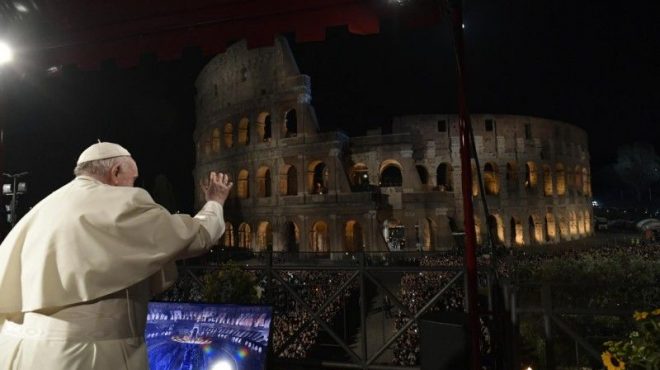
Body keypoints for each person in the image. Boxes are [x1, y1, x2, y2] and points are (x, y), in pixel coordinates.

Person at [0, 142, 233, 370]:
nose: (134, 186)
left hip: (17, 351)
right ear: (116, 172)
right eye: (133, 179)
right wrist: (215, 203)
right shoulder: (125, 202)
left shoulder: (43, 208)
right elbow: (194, 236)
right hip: (90, 354)